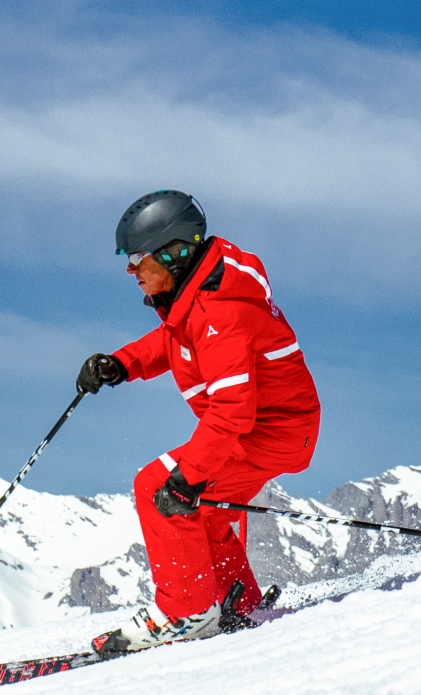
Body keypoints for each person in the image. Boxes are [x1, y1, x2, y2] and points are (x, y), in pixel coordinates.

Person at [78, 190, 321, 655]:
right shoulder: (201, 296)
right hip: (276, 427)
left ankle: (184, 612)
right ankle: (237, 601)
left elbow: (231, 409)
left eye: (137, 259)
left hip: (269, 431)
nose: (131, 271)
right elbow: (174, 340)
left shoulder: (219, 313)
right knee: (200, 510)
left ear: (173, 253)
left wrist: (187, 478)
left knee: (159, 488)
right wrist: (121, 364)